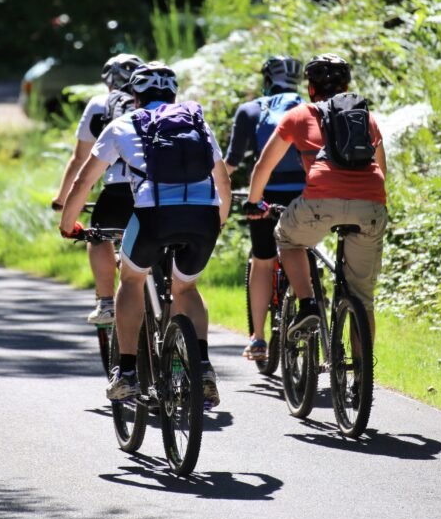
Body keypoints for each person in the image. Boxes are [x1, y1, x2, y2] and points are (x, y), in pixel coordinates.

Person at [58, 61, 232, 407]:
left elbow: (84, 181)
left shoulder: (123, 123)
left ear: (134, 96)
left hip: (154, 216)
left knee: (132, 279)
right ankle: (203, 366)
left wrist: (68, 225)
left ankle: (126, 372)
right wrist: (219, 221)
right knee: (187, 287)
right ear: (173, 94)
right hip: (204, 216)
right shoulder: (196, 120)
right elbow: (223, 180)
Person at [244, 53, 388, 342]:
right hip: (371, 203)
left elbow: (264, 166)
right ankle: (361, 380)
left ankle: (308, 303)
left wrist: (253, 202)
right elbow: (382, 169)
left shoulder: (299, 116)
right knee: (363, 298)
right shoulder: (366, 119)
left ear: (310, 88)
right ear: (346, 86)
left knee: (287, 238)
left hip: (321, 200)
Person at [51, 54, 143, 326]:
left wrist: (62, 198)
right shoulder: (157, 106)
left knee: (98, 235)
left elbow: (80, 159)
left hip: (118, 190)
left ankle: (105, 302)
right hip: (159, 189)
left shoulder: (100, 105)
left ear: (108, 81)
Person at [224, 55, 305, 360]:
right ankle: (313, 299)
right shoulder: (308, 109)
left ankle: (258, 338)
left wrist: (211, 188)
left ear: (267, 79)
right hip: (307, 195)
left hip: (266, 197)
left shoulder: (251, 110)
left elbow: (231, 163)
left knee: (263, 261)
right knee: (303, 249)